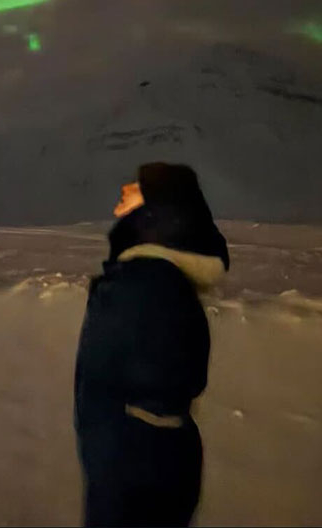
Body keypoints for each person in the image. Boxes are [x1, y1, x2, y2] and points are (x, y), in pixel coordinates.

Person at [74, 162, 229, 528]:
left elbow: (150, 406)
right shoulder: (151, 281)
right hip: (135, 471)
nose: (118, 204)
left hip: (131, 482)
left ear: (159, 210)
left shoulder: (146, 285)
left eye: (132, 192)